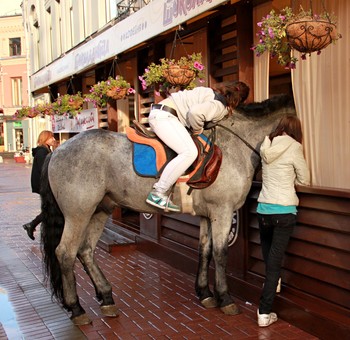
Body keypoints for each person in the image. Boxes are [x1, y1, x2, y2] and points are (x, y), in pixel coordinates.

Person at [146, 81, 250, 212]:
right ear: (239, 101)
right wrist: (197, 131)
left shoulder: (209, 92)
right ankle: (158, 193)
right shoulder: (219, 105)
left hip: (161, 112)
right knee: (189, 152)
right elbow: (195, 113)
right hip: (165, 117)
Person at [256, 115, 310, 327]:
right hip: (284, 210)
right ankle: (264, 312)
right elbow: (305, 179)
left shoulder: (266, 144)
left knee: (270, 259)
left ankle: (272, 284)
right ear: (296, 130)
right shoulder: (295, 147)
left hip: (263, 210)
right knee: (274, 263)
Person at [23, 130, 57, 240]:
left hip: (44, 184)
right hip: (43, 185)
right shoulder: (42, 152)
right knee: (51, 208)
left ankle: (33, 224)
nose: (54, 139)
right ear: (45, 139)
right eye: (51, 137)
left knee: (50, 208)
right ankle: (32, 224)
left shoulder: (45, 150)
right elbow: (45, 169)